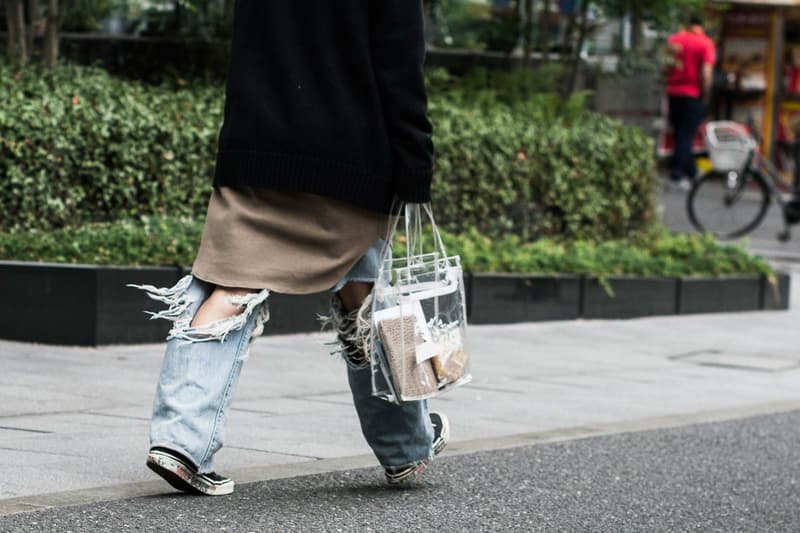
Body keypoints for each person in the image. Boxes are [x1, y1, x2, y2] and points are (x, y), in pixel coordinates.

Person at [131, 1, 449, 496]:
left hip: (256, 146)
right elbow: (399, 65)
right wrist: (416, 163)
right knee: (369, 302)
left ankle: (180, 441)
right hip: (350, 156)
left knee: (233, 285)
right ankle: (407, 447)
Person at [665, 12, 717, 190]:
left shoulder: (674, 40)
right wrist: (706, 94)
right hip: (692, 94)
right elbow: (706, 73)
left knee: (679, 133)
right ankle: (676, 174)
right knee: (686, 135)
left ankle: (692, 172)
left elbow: (666, 66)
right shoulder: (705, 43)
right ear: (702, 26)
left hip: (673, 93)